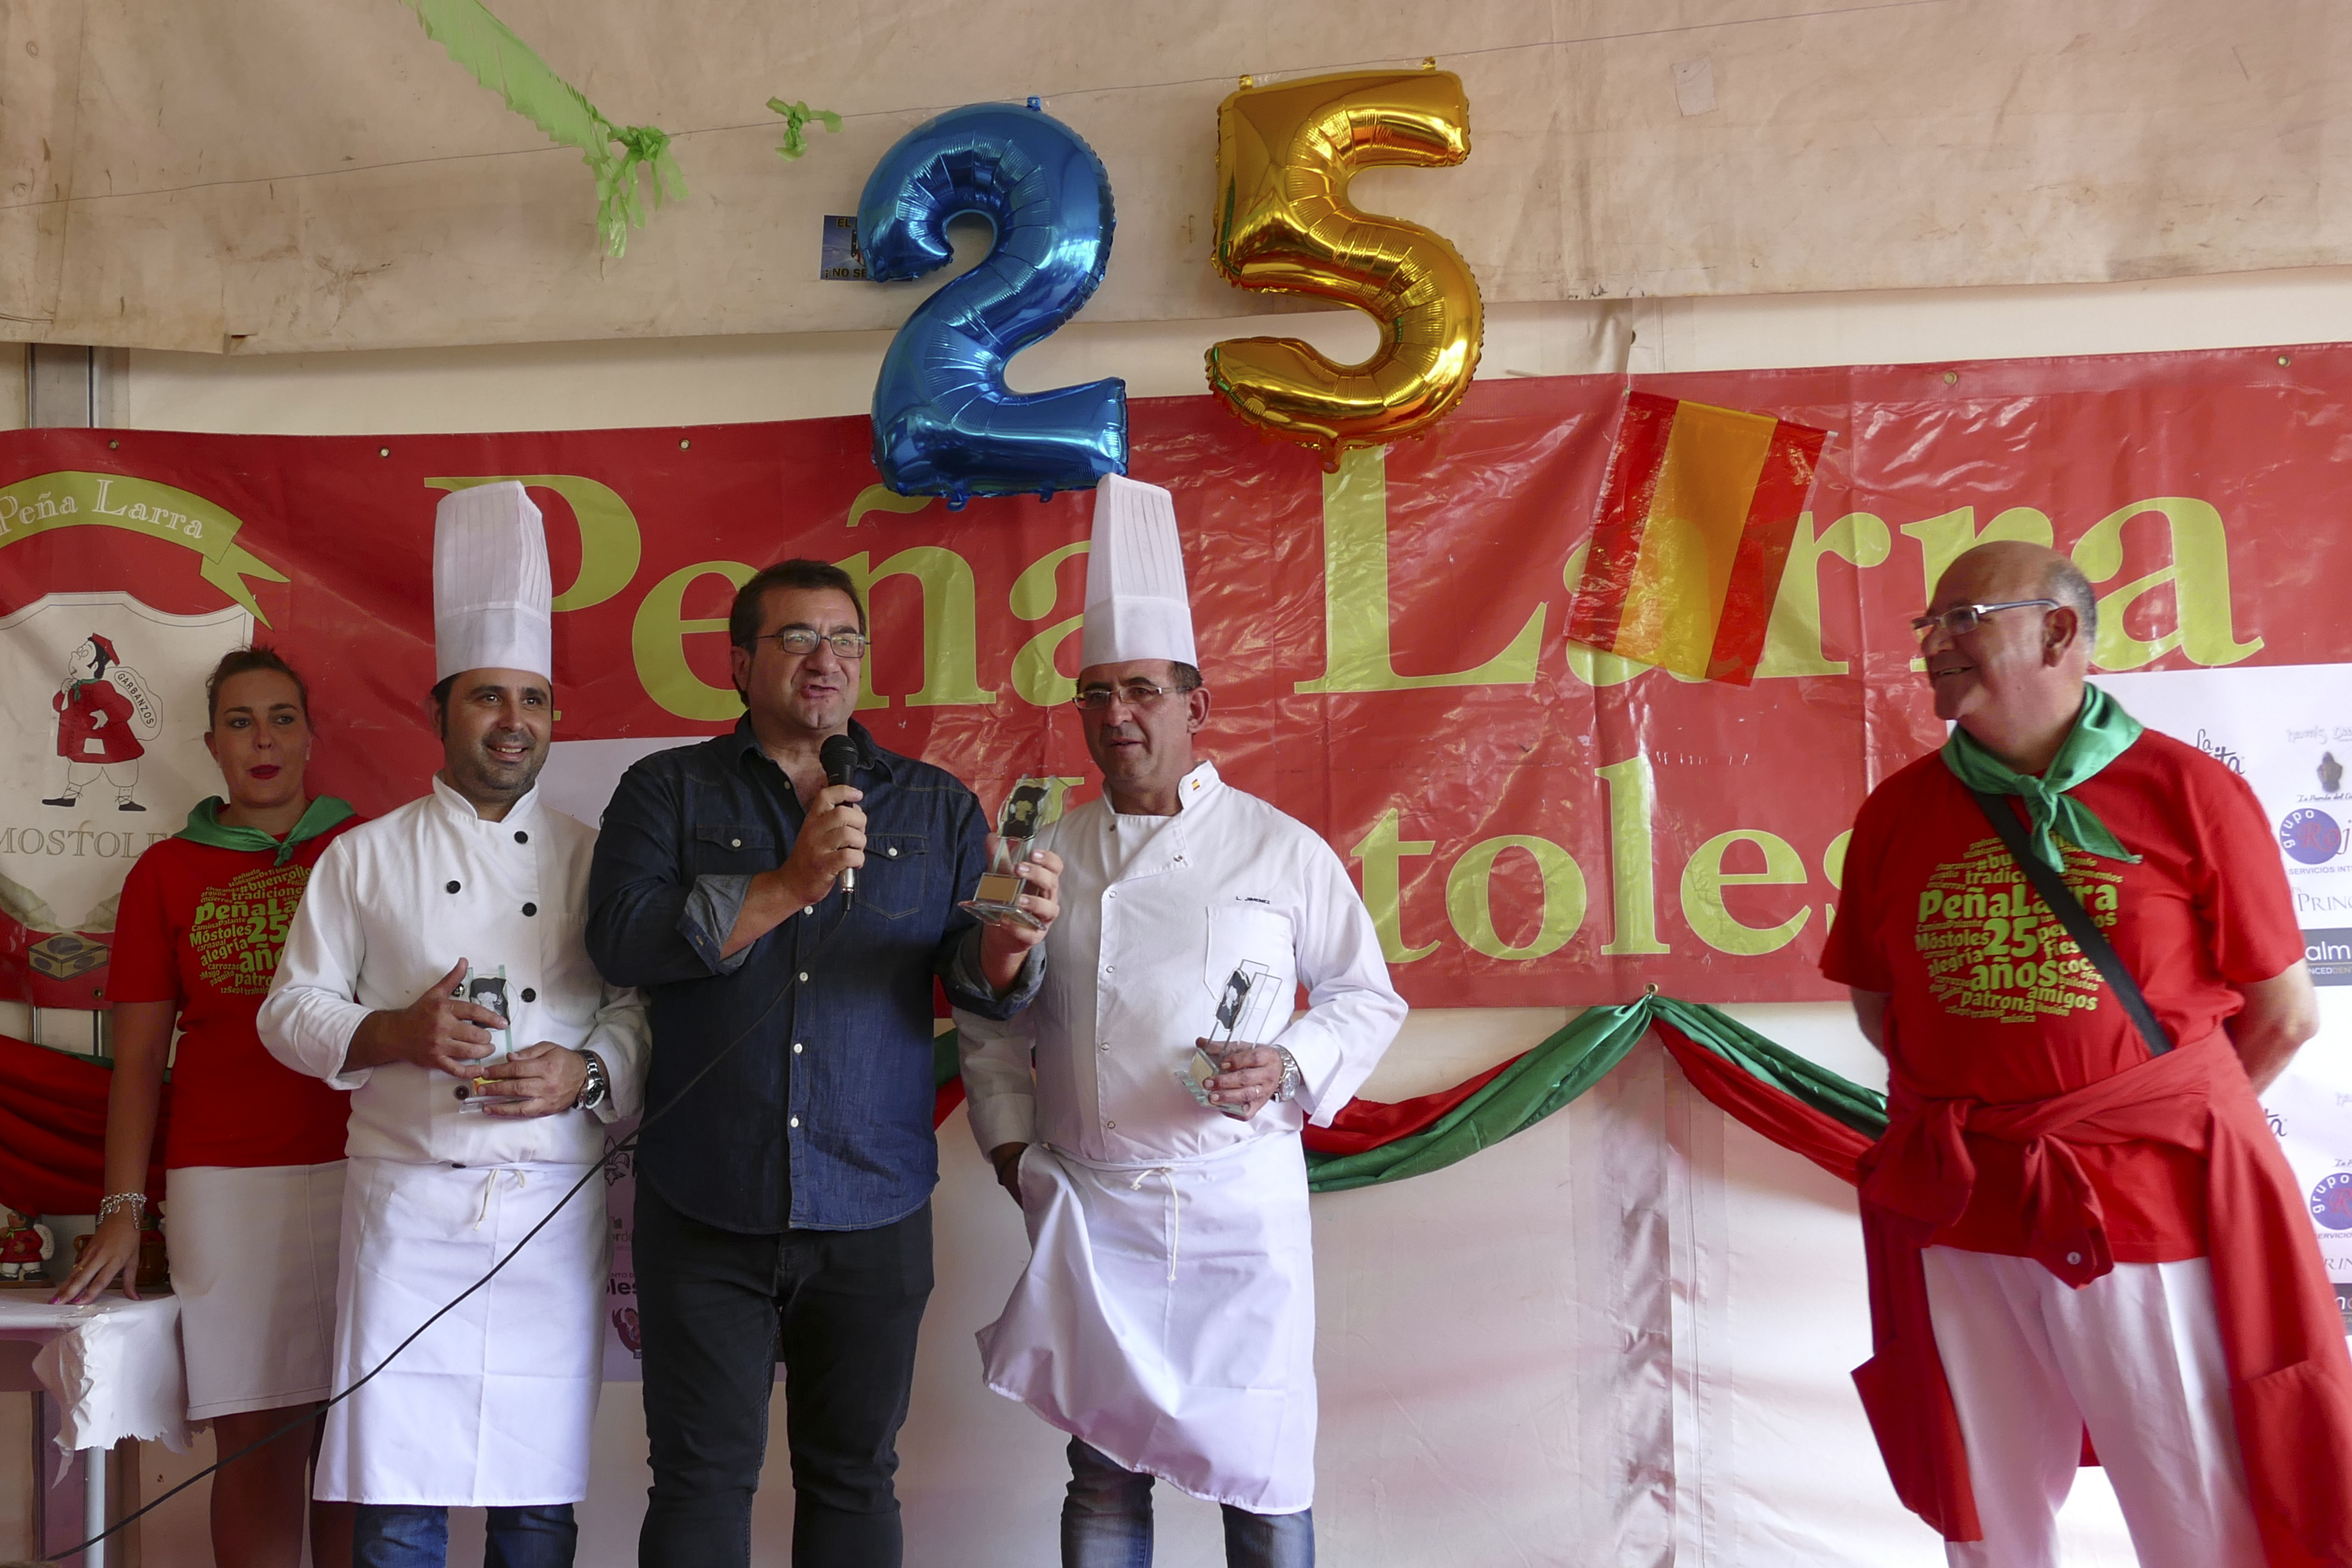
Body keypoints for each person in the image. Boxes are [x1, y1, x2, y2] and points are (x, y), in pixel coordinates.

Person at [1822, 539, 2352, 1568]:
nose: (1933, 644)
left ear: (2058, 631)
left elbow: (2283, 1016)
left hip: (2145, 1208)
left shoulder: (2187, 791)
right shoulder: (1898, 811)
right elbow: (1884, 1008)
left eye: (1962, 620)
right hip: (1965, 1203)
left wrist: (2138, 1125)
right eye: (1928, 625)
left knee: (2194, 1500)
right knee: (1987, 1509)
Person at [958, 475, 1408, 1568]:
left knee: (1265, 1477)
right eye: (1096, 694)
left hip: (1236, 1213)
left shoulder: (1279, 848)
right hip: (1093, 1207)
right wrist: (1013, 1153)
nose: (1118, 714)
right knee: (1102, 1471)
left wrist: (1288, 1062)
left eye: (1143, 691)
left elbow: (1365, 994)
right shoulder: (1042, 851)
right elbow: (990, 1021)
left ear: (1195, 707)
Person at [585, 556, 1056, 1568]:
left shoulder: (933, 806)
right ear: (738, 664)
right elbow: (622, 940)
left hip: (873, 1203)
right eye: (797, 638)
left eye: (845, 640)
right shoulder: (667, 790)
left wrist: (1010, 944)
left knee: (854, 1477)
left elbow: (971, 984)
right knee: (700, 1480)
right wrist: (787, 883)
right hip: (705, 1199)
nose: (825, 661)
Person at [258, 483, 648, 1568]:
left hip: (548, 1212)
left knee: (537, 1507)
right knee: (397, 1502)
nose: (513, 720)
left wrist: (585, 1072)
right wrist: (394, 1033)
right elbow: (288, 1011)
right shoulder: (364, 857)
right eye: (487, 697)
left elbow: (640, 1008)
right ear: (440, 714)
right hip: (408, 1214)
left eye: (533, 699)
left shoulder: (596, 855)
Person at [53, 645, 361, 1568]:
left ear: (310, 737)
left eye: (281, 719)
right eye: (240, 722)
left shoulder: (369, 850)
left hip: (370, 1166)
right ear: (212, 746)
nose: (262, 740)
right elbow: (140, 1061)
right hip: (226, 1183)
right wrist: (123, 1210)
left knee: (359, 1442)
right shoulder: (165, 871)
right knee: (258, 1437)